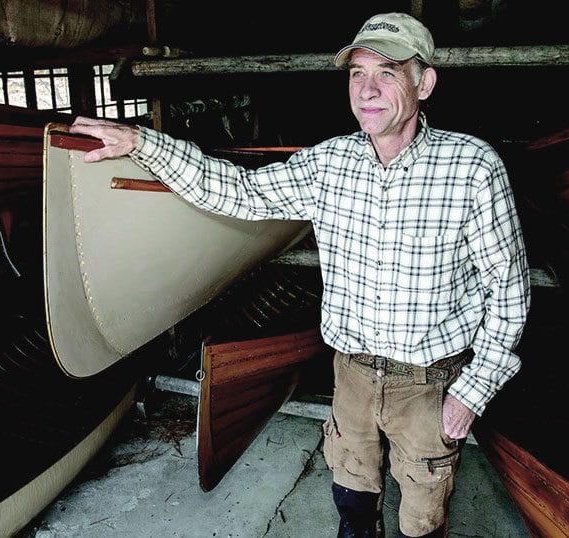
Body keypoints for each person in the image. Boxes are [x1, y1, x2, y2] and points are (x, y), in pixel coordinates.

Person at [68, 11, 530, 538]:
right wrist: (144, 144)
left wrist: (473, 390)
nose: (368, 89)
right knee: (352, 496)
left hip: (427, 382)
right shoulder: (329, 163)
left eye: (388, 72)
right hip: (351, 373)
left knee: (422, 516)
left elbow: (509, 293)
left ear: (423, 82)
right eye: (357, 74)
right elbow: (240, 191)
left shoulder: (472, 167)